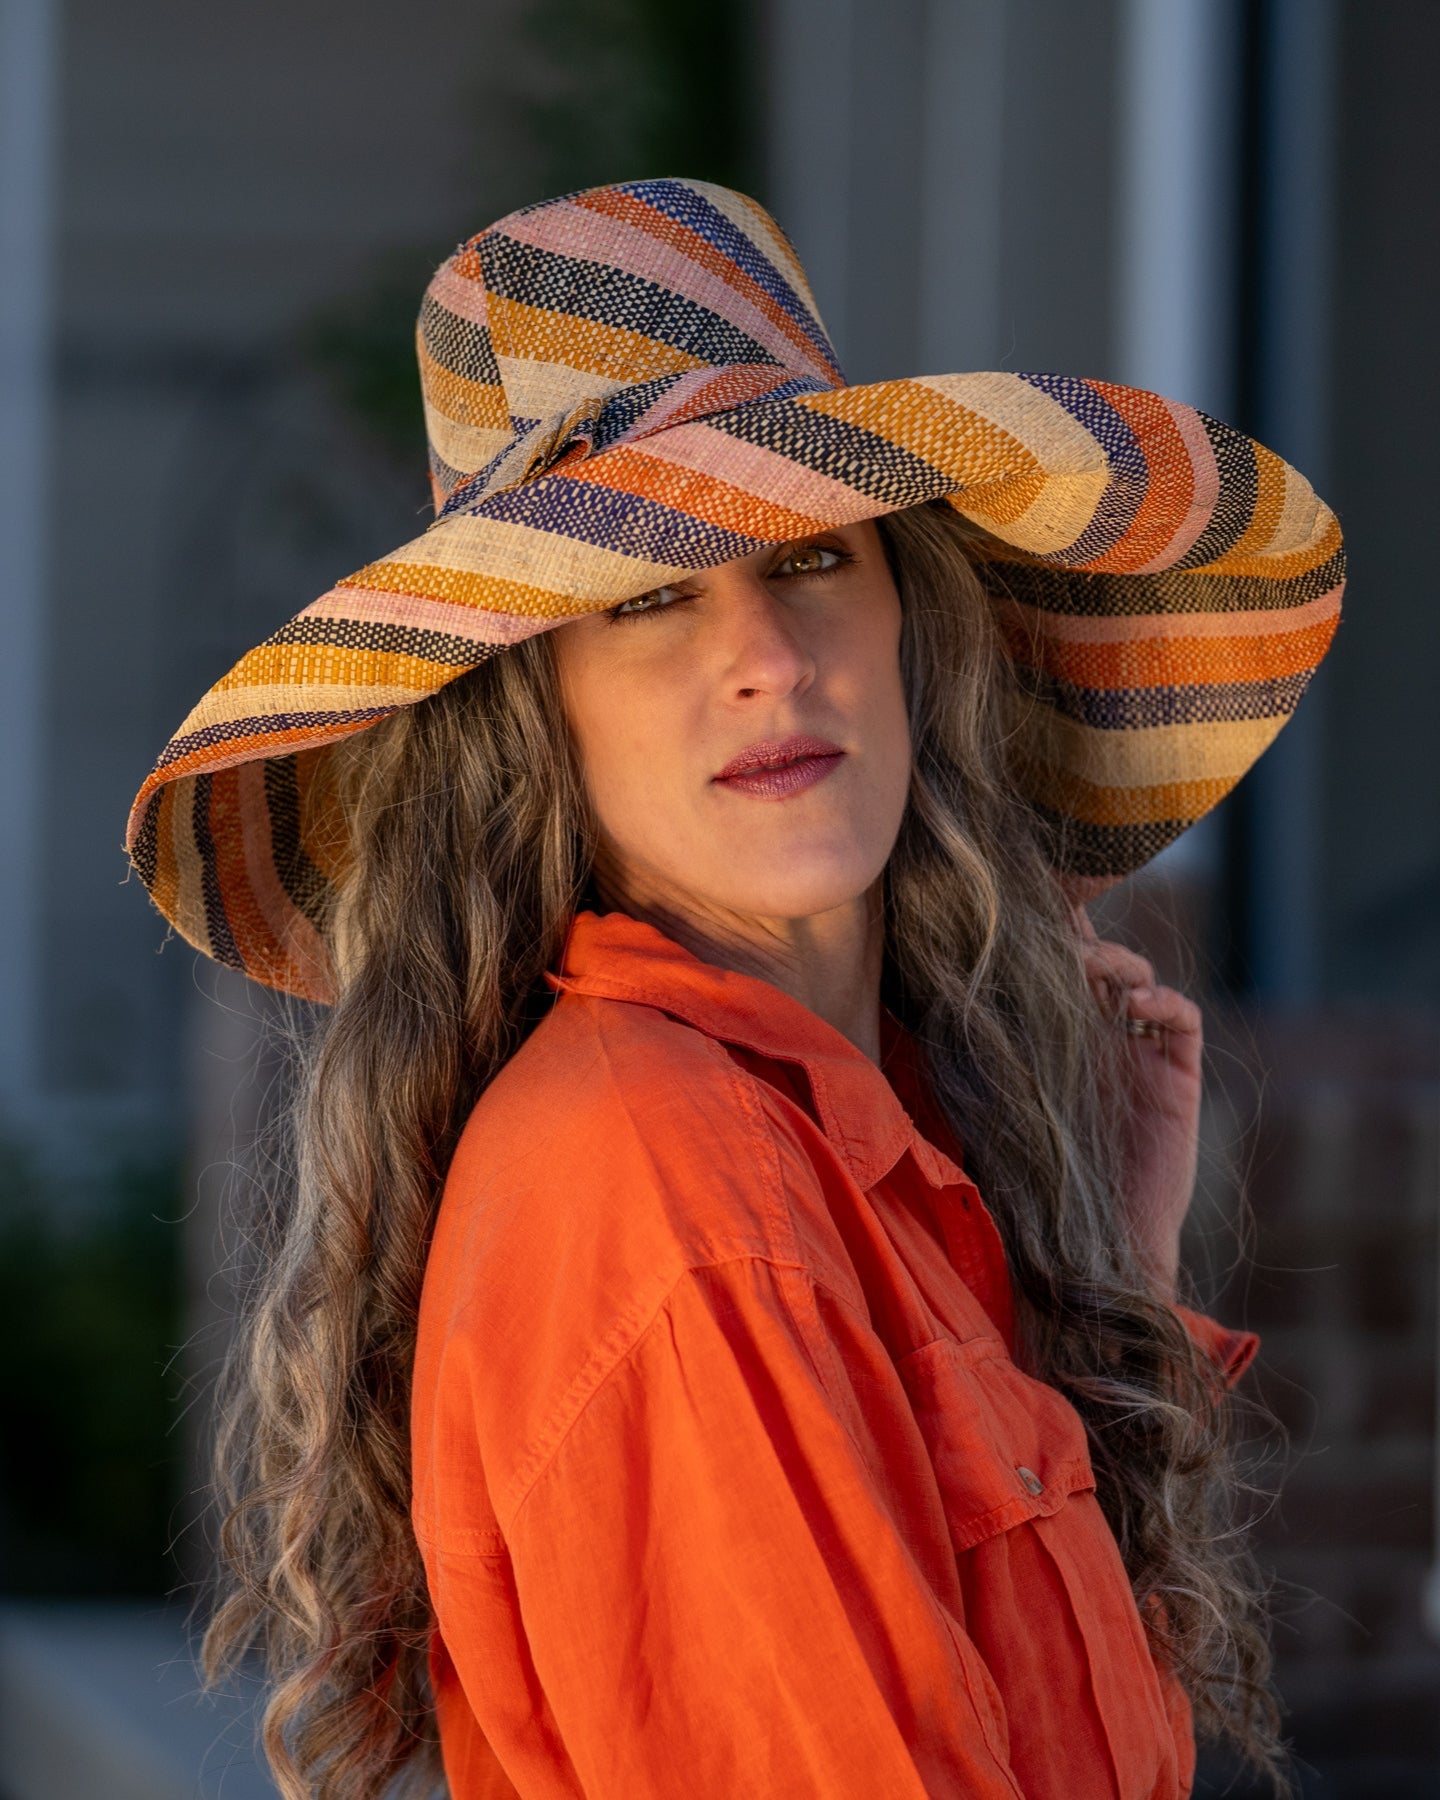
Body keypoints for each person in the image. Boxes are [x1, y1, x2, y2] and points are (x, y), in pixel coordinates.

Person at [126, 178, 1343, 1800]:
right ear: (531, 715)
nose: (768, 651)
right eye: (646, 600)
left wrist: (1096, 1286)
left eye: (816, 555)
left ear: (916, 624)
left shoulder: (844, 1157)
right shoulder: (682, 1190)